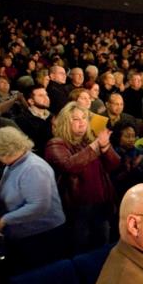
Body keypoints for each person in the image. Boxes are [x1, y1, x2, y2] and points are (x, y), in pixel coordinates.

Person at [0, 127, 66, 272]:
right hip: (26, 235)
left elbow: (39, 206)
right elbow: (8, 197)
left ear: (7, 151)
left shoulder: (33, 168)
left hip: (42, 237)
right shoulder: (12, 164)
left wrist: (5, 220)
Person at [45, 102, 119, 252]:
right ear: (66, 122)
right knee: (80, 249)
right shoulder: (56, 144)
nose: (82, 122)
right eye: (76, 119)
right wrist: (95, 146)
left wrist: (105, 147)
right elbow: (69, 166)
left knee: (102, 247)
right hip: (78, 208)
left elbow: (114, 165)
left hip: (101, 203)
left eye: (84, 118)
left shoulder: (92, 141)